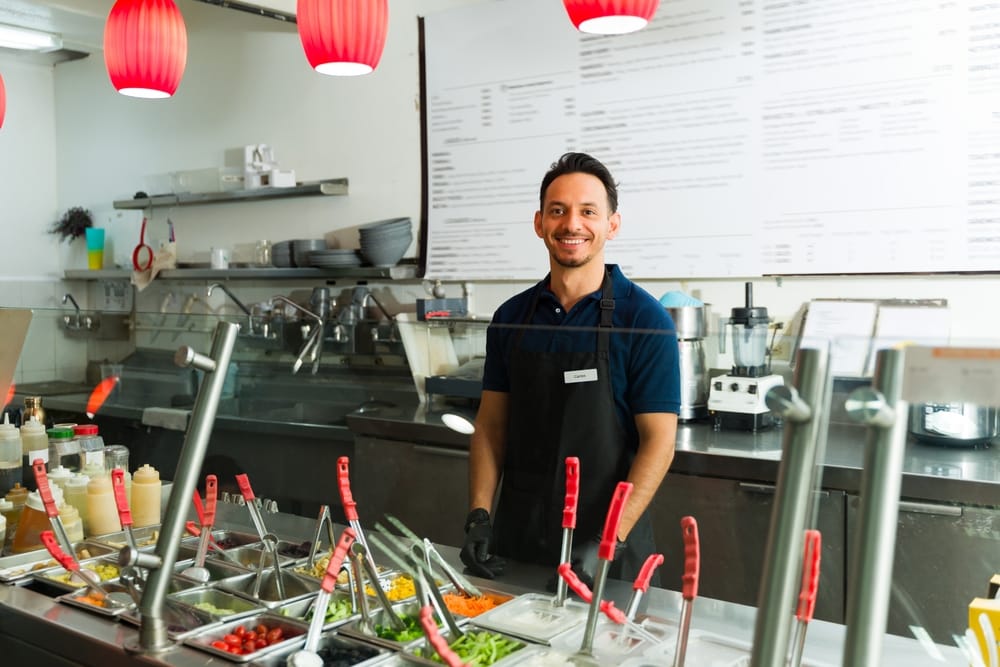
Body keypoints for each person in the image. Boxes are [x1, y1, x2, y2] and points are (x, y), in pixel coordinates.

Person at [461, 152, 680, 585]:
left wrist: (607, 544)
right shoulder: (512, 318)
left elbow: (659, 442)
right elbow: (490, 428)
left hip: (606, 550)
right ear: (540, 222)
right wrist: (479, 515)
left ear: (611, 225)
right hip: (518, 541)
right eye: (558, 211)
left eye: (588, 212)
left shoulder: (644, 320)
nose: (572, 224)